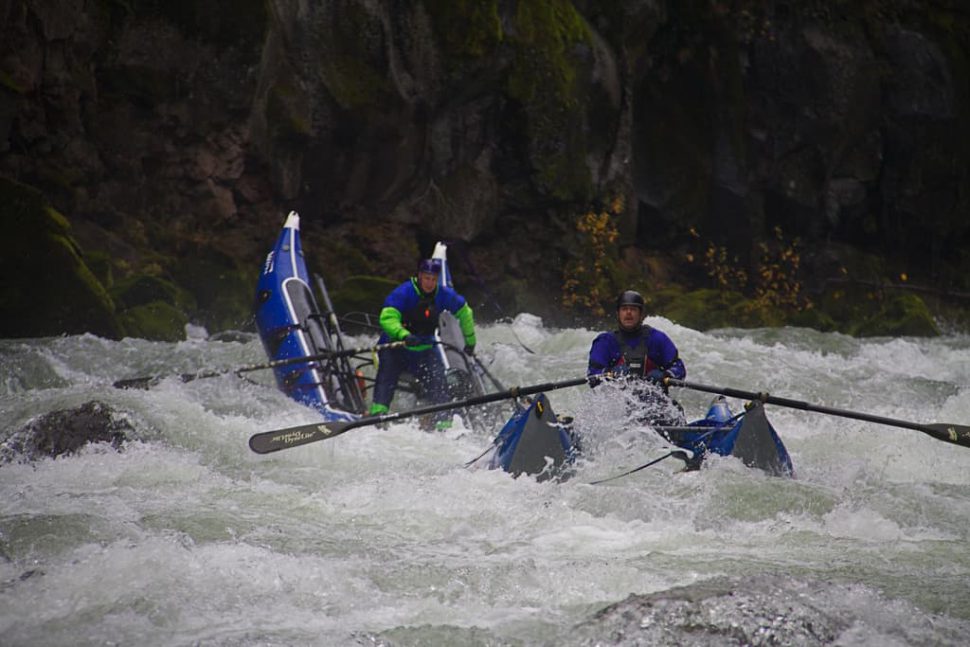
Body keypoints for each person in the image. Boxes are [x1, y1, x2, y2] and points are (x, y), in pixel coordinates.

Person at [369, 258, 477, 429]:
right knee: (386, 376)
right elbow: (387, 317)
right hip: (397, 348)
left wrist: (470, 341)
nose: (430, 283)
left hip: (425, 349)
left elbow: (465, 313)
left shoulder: (443, 295)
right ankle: (377, 415)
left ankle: (445, 425)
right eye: (426, 278)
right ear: (419, 276)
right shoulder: (403, 292)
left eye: (433, 279)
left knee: (440, 382)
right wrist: (403, 334)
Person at [587, 290, 687, 426]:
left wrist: (666, 375)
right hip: (618, 413)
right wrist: (610, 375)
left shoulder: (657, 339)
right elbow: (593, 376)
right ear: (618, 313)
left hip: (655, 408)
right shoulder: (605, 342)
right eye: (624, 309)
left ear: (641, 314)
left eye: (633, 309)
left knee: (675, 411)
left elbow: (679, 368)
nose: (628, 313)